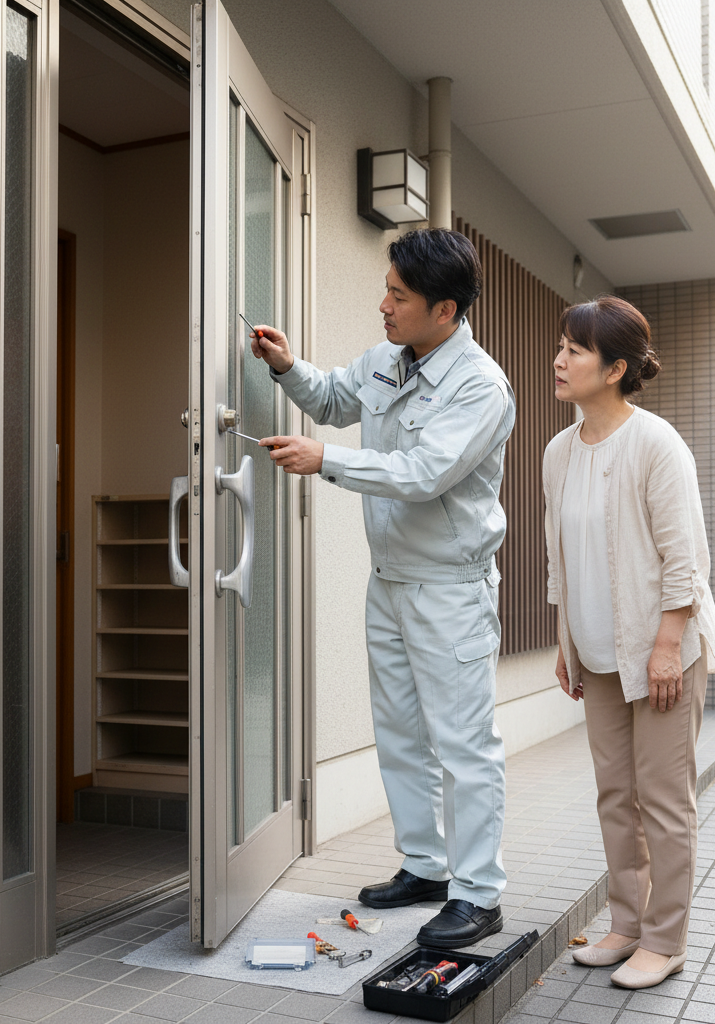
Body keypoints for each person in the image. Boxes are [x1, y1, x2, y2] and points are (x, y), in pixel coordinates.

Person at [248, 228, 516, 949]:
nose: (384, 306)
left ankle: (479, 893)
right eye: (386, 290)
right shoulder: (389, 360)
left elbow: (424, 472)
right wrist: (286, 366)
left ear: (445, 309)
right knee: (399, 733)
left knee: (463, 745)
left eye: (399, 296)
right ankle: (426, 868)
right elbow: (335, 397)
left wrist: (324, 461)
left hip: (450, 590)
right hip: (390, 581)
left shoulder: (479, 387)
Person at [542, 296, 715, 989]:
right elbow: (560, 557)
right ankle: (625, 923)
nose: (559, 360)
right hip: (596, 653)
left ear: (616, 367)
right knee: (615, 793)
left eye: (576, 350)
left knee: (663, 798)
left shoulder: (655, 444)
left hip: (662, 652)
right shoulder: (558, 451)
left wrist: (668, 644)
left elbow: (686, 559)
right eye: (561, 346)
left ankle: (667, 938)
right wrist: (565, 641)